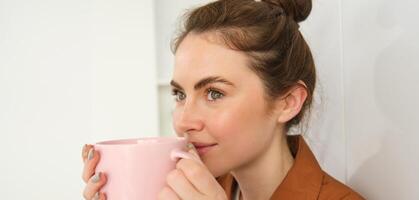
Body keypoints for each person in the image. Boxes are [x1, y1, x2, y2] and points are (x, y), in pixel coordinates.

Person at [81, 0, 364, 199]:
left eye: (214, 93)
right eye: (180, 94)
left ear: (288, 102)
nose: (183, 121)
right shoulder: (194, 190)